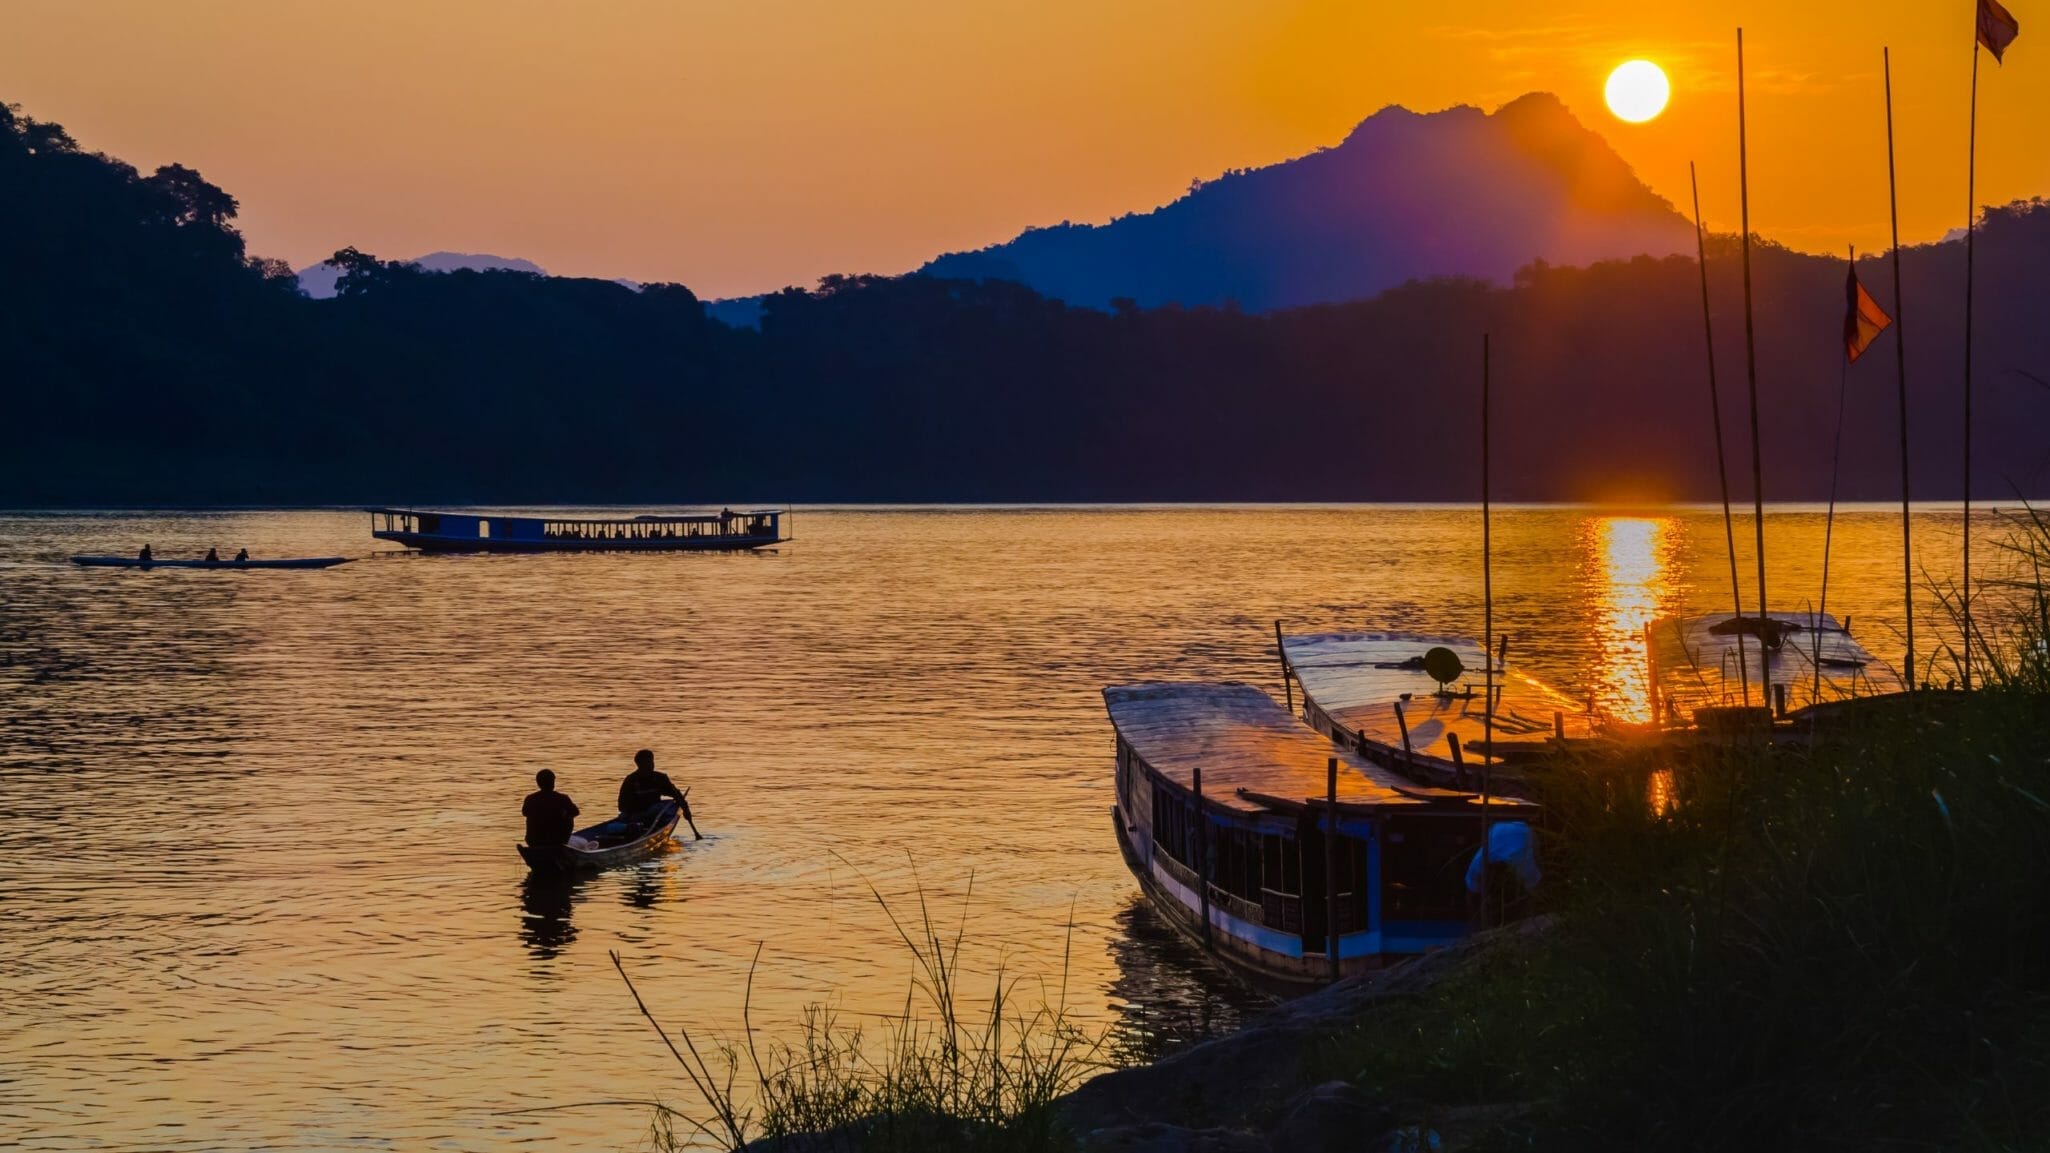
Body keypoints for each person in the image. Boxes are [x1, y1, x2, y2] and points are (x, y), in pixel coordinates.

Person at [522, 769, 580, 848]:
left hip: (533, 840)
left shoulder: (530, 798)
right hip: (557, 840)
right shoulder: (562, 798)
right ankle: (562, 843)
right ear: (553, 782)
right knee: (569, 816)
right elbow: (576, 812)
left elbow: (524, 812)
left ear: (538, 783)